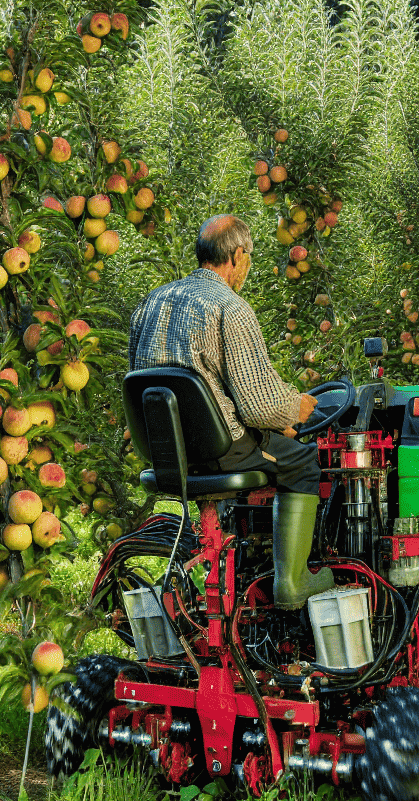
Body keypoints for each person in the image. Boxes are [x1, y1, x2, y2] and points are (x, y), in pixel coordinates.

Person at [128, 214, 334, 610]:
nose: (248, 267)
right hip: (222, 450)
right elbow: (258, 404)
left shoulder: (149, 304)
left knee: (275, 446)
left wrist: (277, 428)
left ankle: (234, 572)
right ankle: (291, 585)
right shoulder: (230, 307)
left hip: (166, 453)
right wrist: (296, 407)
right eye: (250, 259)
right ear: (238, 255)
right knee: (304, 462)